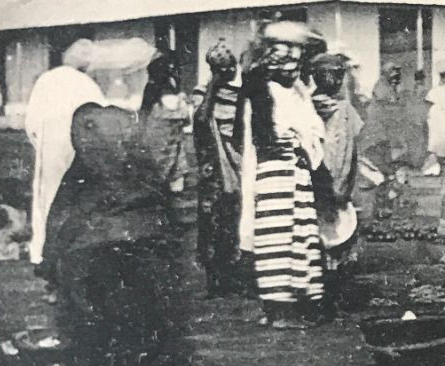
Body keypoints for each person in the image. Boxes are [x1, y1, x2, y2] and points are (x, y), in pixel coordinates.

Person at [40, 103, 181, 366]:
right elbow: (167, 225)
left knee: (89, 348)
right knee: (142, 345)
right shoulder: (144, 178)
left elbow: (60, 225)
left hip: (88, 271)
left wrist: (50, 267)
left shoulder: (80, 180)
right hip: (140, 270)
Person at [237, 21, 328, 329]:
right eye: (284, 63)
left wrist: (305, 142)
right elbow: (255, 139)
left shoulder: (299, 92)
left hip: (295, 172)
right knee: (277, 238)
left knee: (297, 236)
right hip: (273, 172)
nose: (290, 69)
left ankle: (293, 305)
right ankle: (280, 310)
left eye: (295, 65)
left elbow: (314, 127)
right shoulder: (260, 93)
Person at [24, 39, 104, 269]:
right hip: (80, 144)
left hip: (51, 146)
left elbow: (32, 122)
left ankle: (44, 250)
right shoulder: (87, 84)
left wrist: (40, 144)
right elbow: (100, 116)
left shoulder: (46, 80)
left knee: (49, 195)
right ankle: (75, 247)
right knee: (79, 194)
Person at [309, 52, 364, 314]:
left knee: (327, 238)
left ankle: (327, 295)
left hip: (323, 182)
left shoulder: (314, 106)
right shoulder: (340, 109)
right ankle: (330, 295)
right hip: (328, 180)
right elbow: (350, 146)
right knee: (334, 237)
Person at [193, 43, 246, 296]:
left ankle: (223, 277)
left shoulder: (229, 95)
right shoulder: (210, 95)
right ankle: (218, 278)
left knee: (223, 221)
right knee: (219, 220)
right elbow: (204, 121)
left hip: (225, 169)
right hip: (219, 170)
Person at [138, 51, 193, 195]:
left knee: (156, 175)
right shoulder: (176, 94)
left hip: (156, 140)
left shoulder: (151, 89)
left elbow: (143, 114)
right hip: (174, 142)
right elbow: (186, 120)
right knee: (175, 174)